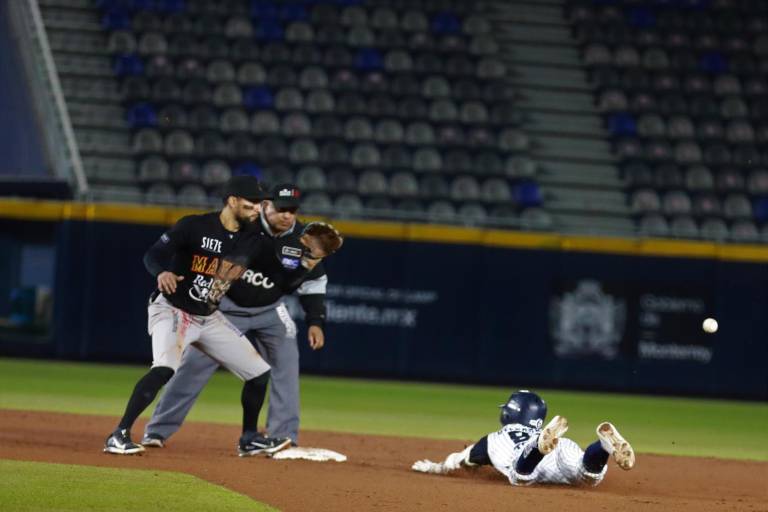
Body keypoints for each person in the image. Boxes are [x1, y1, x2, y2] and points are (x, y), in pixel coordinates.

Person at [103, 176, 292, 457]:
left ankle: (249, 439)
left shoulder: (253, 239)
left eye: (261, 204)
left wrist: (306, 258)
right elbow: (153, 255)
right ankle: (118, 435)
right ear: (232, 201)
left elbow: (282, 268)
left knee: (259, 374)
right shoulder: (194, 225)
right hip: (173, 309)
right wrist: (162, 272)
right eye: (252, 203)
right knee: (165, 368)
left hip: (208, 317)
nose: (257, 209)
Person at [141, 183, 336, 447]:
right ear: (266, 205)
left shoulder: (303, 238)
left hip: (270, 309)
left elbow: (310, 284)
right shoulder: (245, 226)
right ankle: (157, 431)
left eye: (292, 210)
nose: (287, 215)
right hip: (226, 308)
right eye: (281, 208)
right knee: (192, 367)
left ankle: (284, 436)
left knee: (287, 364)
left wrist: (315, 320)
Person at [411, 390, 635, 486]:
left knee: (520, 477)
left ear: (511, 412)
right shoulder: (542, 431)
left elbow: (460, 461)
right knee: (587, 475)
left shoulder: (493, 439)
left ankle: (537, 449)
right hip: (563, 447)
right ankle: (602, 446)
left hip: (528, 453)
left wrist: (435, 467)